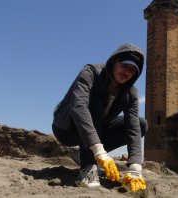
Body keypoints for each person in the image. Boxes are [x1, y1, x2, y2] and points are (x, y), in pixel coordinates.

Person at [52, 43, 147, 192]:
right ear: (114, 61)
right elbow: (78, 106)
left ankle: (84, 153)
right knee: (95, 103)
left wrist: (135, 166)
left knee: (141, 124)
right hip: (66, 128)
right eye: (124, 65)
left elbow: (133, 127)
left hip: (96, 129)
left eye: (132, 70)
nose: (127, 72)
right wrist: (98, 150)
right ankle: (88, 166)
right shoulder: (91, 72)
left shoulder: (130, 93)